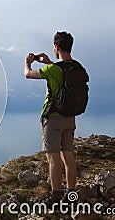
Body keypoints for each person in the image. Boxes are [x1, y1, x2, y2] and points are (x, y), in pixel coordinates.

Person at [24, 31, 78, 206]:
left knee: (53, 159)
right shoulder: (76, 67)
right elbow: (60, 71)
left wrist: (27, 63)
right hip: (70, 119)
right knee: (68, 157)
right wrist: (49, 62)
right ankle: (71, 196)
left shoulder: (52, 70)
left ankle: (56, 196)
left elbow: (28, 74)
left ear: (56, 47)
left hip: (53, 120)